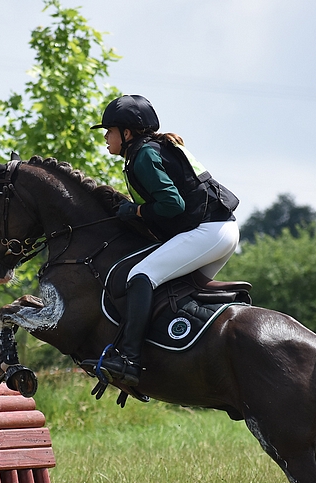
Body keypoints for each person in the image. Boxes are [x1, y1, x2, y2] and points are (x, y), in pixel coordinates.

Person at [83, 94, 240, 387]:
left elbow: (173, 204)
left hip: (208, 231)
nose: (105, 136)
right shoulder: (147, 150)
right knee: (170, 291)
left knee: (141, 274)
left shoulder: (144, 155)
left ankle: (129, 359)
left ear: (127, 133)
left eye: (110, 130)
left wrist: (137, 210)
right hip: (217, 231)